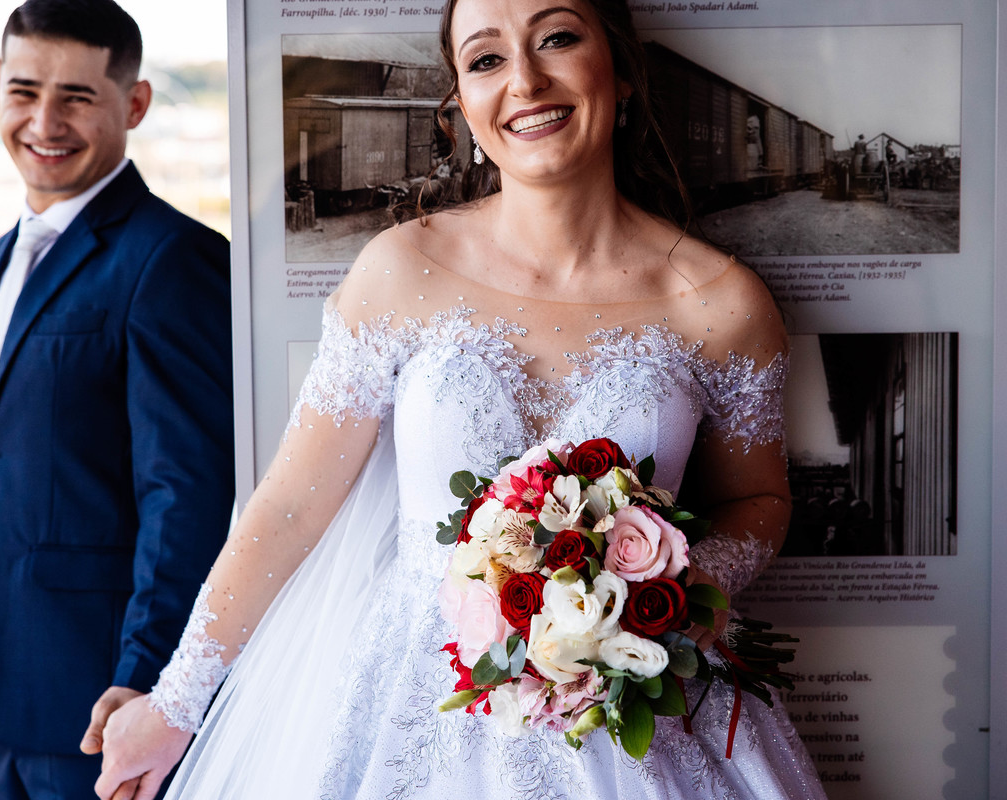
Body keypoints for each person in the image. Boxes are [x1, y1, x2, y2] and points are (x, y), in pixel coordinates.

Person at [96, 1, 827, 798]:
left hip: (642, 700)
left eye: (556, 39)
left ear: (619, 70)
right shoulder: (398, 272)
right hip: (411, 705)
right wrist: (174, 704)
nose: (524, 80)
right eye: (486, 60)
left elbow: (758, 498)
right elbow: (288, 510)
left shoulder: (720, 301)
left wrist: (662, 597)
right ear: (462, 105)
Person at [0, 1, 233, 798]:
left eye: (77, 98)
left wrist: (148, 677)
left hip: (101, 698)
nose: (44, 121)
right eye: (23, 91)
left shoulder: (174, 259)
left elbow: (185, 495)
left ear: (135, 104)